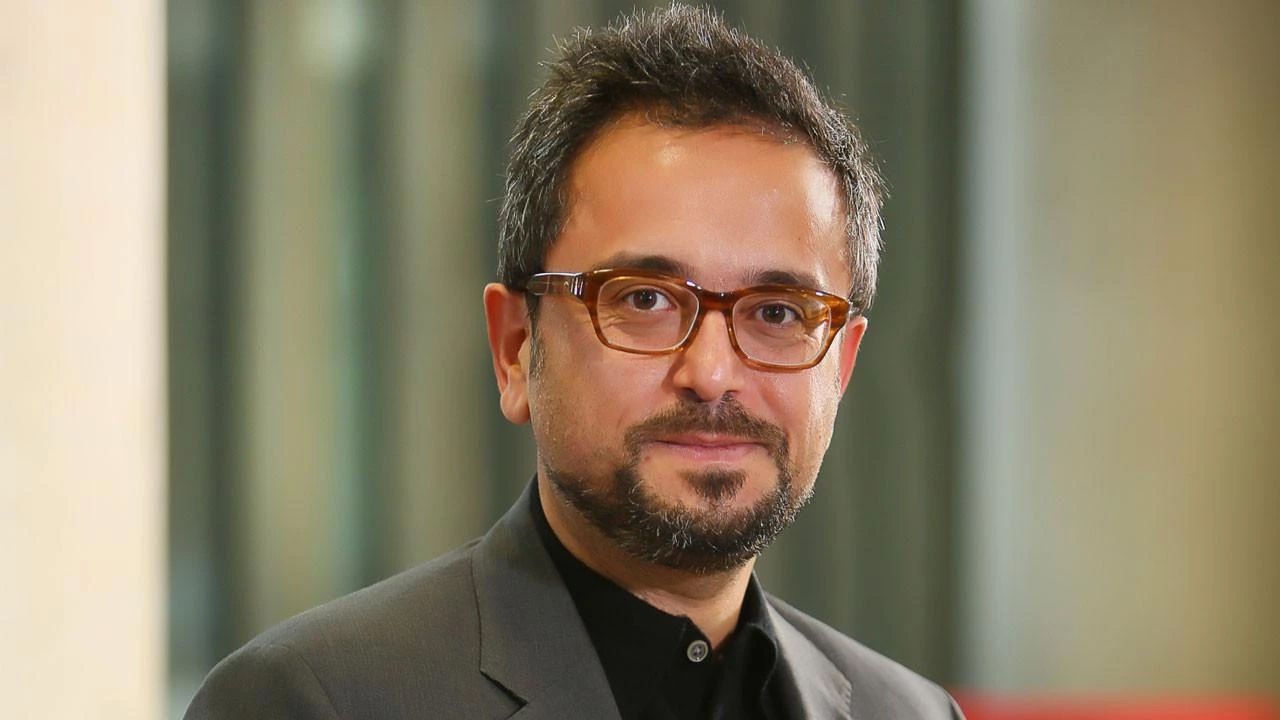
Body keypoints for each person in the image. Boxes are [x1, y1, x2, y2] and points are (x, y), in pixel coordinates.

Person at [185, 5, 962, 719]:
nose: (712, 374)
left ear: (840, 367)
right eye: (644, 299)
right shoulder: (312, 700)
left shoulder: (912, 714)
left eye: (778, 313)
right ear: (515, 348)